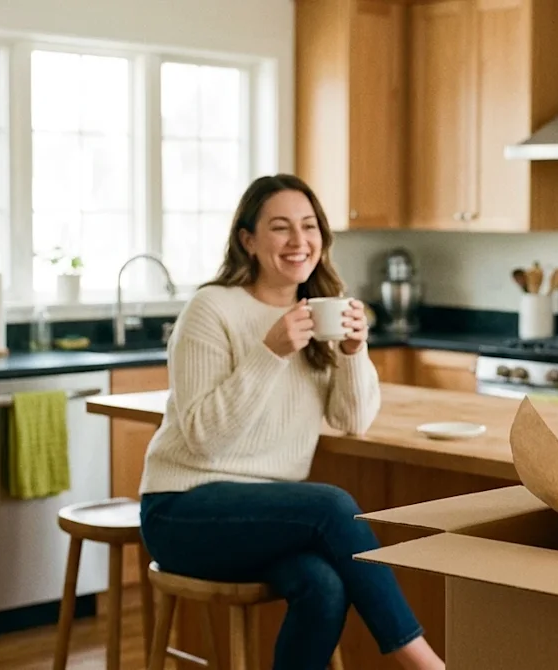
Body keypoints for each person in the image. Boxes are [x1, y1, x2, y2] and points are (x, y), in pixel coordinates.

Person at [137, 174, 444, 670]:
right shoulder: (210, 309)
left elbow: (351, 420)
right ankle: (425, 662)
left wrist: (352, 351)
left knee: (323, 586)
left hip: (267, 521)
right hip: (182, 511)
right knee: (332, 506)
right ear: (248, 241)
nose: (298, 242)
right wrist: (270, 353)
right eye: (281, 228)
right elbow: (203, 440)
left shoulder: (319, 310)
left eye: (309, 226)